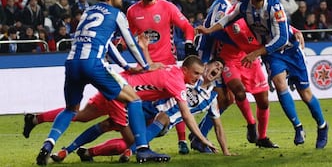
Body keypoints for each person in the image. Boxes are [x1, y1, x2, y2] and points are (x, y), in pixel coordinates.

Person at [35, 0, 168, 166]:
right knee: (134, 99)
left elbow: (108, 45)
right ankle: (143, 149)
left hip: (72, 62)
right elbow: (130, 42)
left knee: (71, 109)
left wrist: (126, 67)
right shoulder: (116, 14)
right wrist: (146, 66)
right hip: (93, 63)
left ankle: (48, 144)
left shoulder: (88, 12)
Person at [196, 0, 329, 149]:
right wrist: (208, 32)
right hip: (263, 55)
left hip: (288, 50)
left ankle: (322, 125)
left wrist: (258, 51)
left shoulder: (274, 5)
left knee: (304, 94)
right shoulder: (238, 6)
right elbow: (227, 20)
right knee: (277, 85)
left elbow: (281, 37)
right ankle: (297, 127)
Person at [26, 55, 217, 163]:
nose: (198, 77)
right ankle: (139, 152)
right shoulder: (177, 81)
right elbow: (186, 114)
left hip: (115, 83)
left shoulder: (168, 69)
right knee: (130, 142)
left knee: (81, 115)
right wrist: (202, 139)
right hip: (123, 95)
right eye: (196, 73)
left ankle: (37, 119)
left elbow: (148, 67)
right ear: (185, 70)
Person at [75, 58, 231, 163]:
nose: (218, 69)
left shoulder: (211, 98)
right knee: (111, 125)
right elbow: (155, 73)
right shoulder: (187, 76)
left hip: (161, 122)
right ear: (206, 66)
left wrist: (226, 151)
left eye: (221, 69)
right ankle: (85, 152)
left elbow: (218, 125)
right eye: (216, 65)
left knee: (162, 119)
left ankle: (101, 151)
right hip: (147, 107)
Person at [126, 0, 197, 154]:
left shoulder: (167, 7)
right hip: (146, 67)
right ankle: (142, 141)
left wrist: (189, 43)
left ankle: (182, 141)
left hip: (168, 64)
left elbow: (187, 27)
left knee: (176, 101)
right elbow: (129, 35)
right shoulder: (132, 11)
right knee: (140, 103)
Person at [193, 0, 263, 151]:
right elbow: (216, 32)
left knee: (226, 99)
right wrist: (243, 43)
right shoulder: (221, 5)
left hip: (216, 58)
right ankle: (197, 137)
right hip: (209, 58)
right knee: (218, 99)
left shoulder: (229, 5)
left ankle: (197, 135)